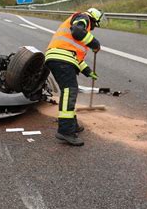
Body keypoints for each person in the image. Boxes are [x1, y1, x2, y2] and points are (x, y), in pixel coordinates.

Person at [45, 8, 105, 146]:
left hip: (61, 58)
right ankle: (65, 131)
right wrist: (94, 43)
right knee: (69, 91)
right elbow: (77, 32)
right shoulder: (83, 18)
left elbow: (75, 56)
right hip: (61, 59)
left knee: (70, 91)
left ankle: (72, 125)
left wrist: (88, 71)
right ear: (95, 19)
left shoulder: (83, 25)